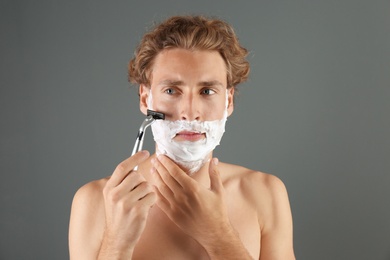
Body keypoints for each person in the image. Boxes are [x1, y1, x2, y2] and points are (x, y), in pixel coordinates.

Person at [69, 15, 295, 260]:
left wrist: (218, 236)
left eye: (207, 91)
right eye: (171, 91)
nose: (190, 113)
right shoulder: (96, 202)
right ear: (146, 99)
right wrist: (117, 243)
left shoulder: (264, 194)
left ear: (228, 101)